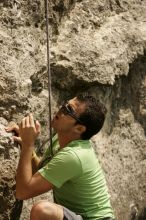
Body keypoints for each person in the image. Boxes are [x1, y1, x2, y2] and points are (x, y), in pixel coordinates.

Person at [6, 93, 115, 220]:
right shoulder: (61, 139)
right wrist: (28, 146)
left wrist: (28, 144)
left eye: (68, 110)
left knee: (43, 211)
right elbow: (40, 172)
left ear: (79, 129)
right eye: (65, 104)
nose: (61, 108)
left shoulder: (74, 156)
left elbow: (22, 192)